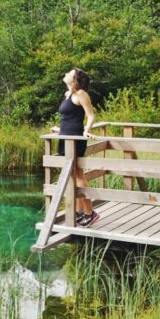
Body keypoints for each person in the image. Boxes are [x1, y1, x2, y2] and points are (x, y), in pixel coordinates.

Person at [50, 68, 98, 225]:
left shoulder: (81, 94)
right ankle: (78, 212)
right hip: (65, 137)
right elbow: (69, 117)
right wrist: (60, 129)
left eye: (69, 73)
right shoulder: (68, 94)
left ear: (75, 79)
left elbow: (90, 115)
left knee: (78, 175)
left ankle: (90, 213)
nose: (65, 74)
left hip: (76, 138)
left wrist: (86, 130)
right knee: (72, 175)